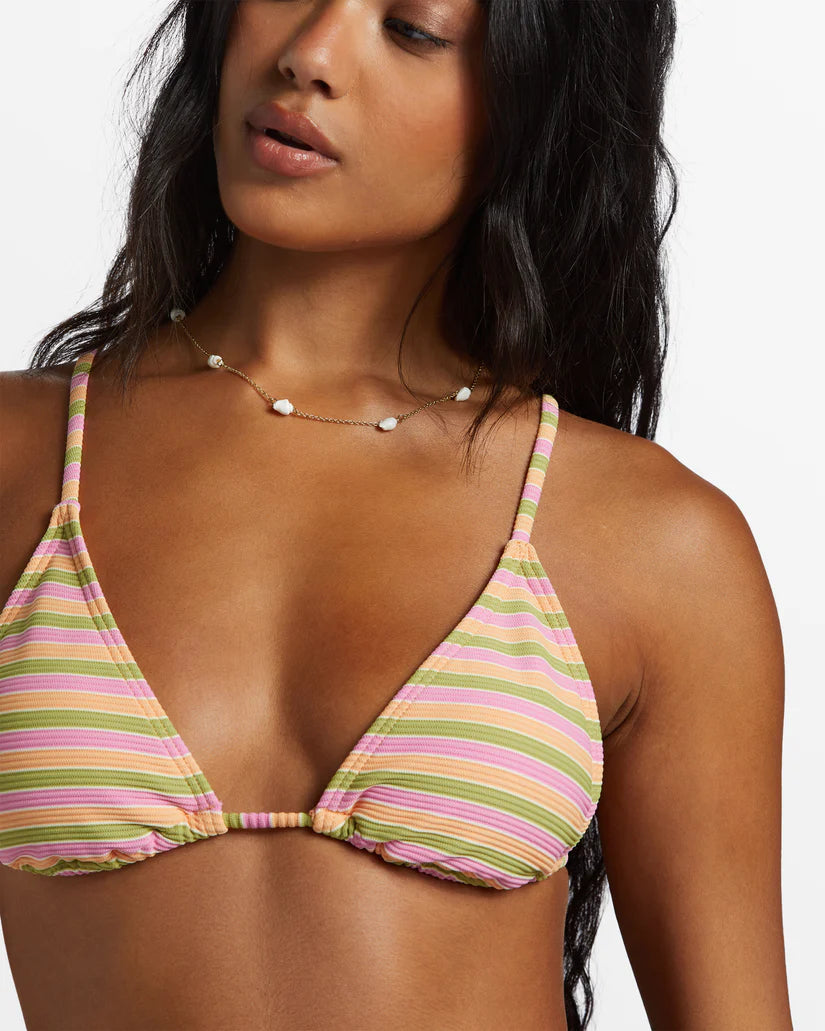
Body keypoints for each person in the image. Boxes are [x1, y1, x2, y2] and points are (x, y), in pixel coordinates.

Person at [0, 1, 792, 1028]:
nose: (308, 55)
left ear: (527, 98)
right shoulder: (25, 462)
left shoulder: (651, 542)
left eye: (411, 28)